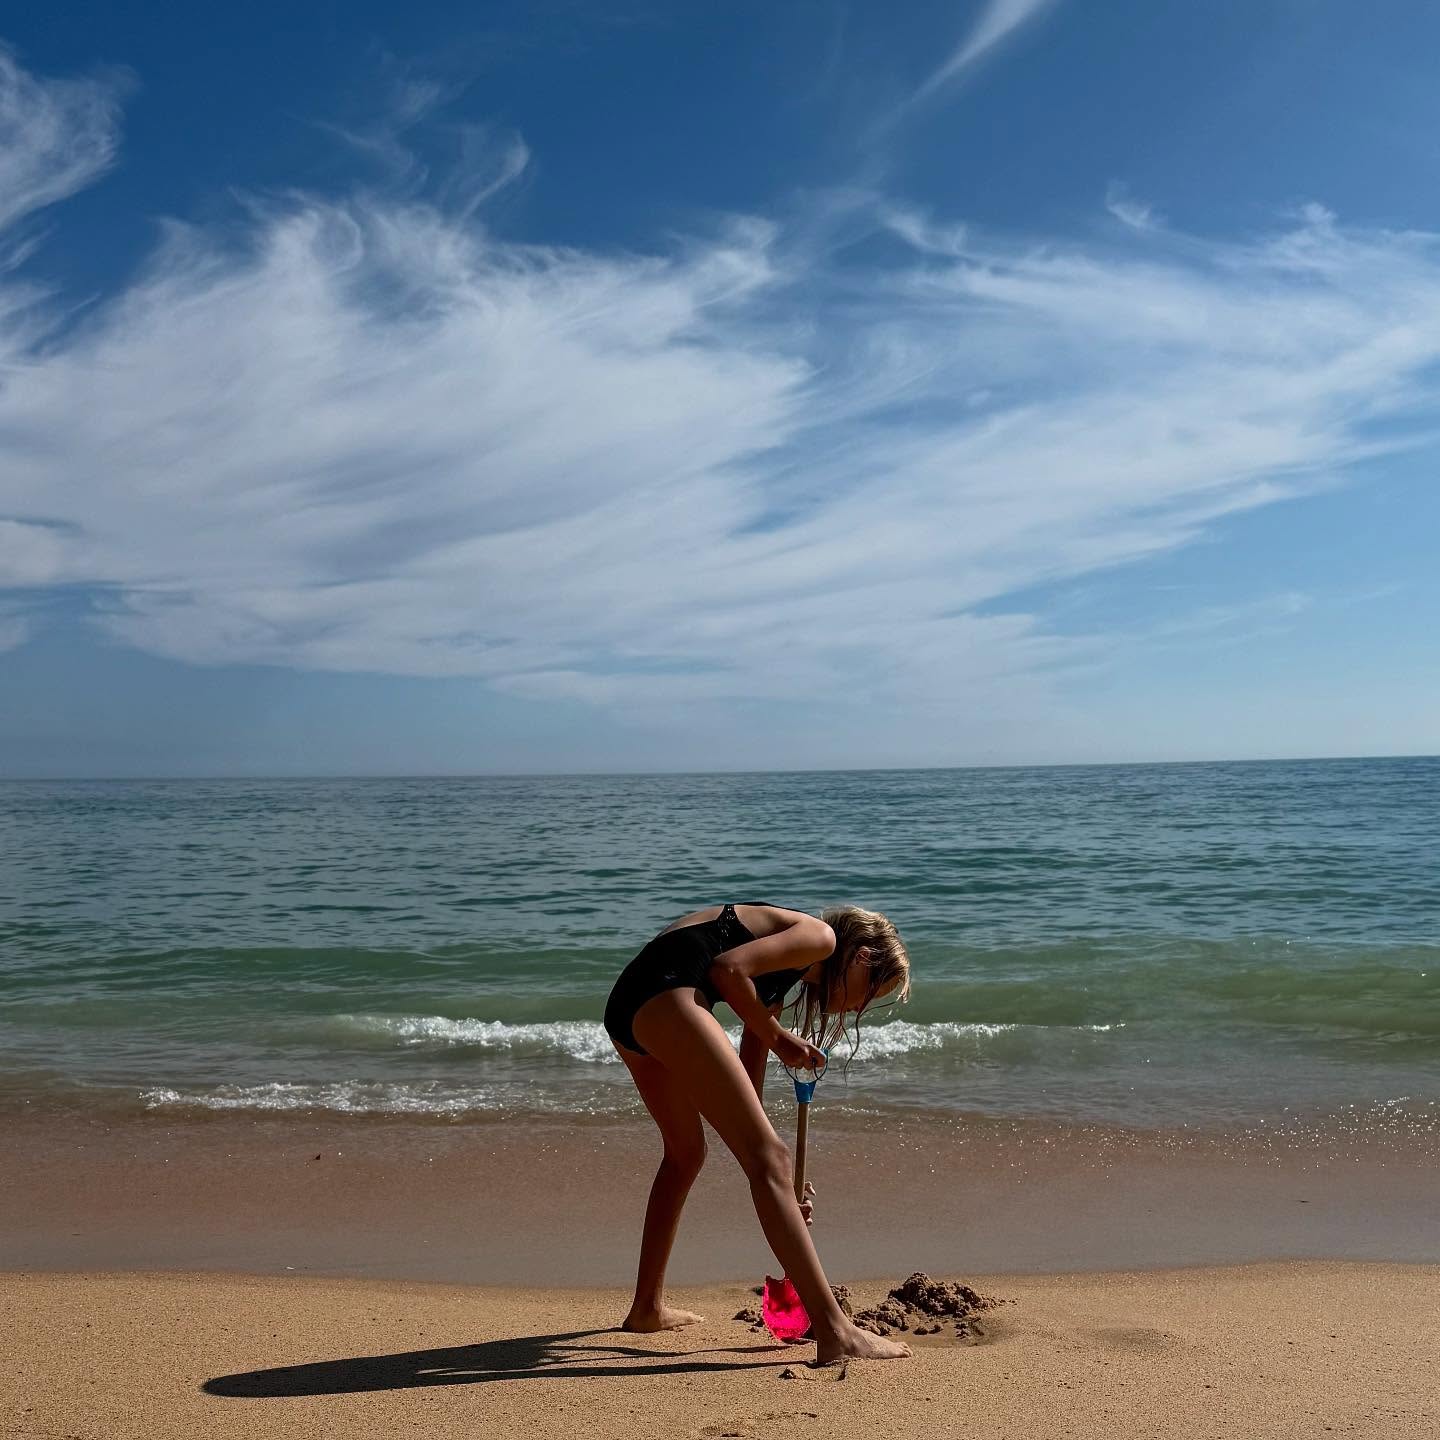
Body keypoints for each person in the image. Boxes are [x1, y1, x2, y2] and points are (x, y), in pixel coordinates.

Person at [603, 899, 912, 1363]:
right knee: (767, 1157)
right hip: (666, 992)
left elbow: (746, 1082)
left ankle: (646, 1308)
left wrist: (779, 1187)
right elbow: (729, 970)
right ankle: (835, 1331)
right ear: (862, 956)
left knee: (687, 1154)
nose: (854, 1008)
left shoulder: (778, 975)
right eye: (868, 991)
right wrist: (780, 1038)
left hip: (631, 1003)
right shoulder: (818, 938)